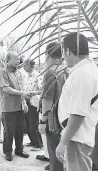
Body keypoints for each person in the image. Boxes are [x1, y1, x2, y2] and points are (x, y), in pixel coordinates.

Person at [55, 33, 98, 171]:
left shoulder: (82, 74)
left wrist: (63, 143)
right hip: (85, 136)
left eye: (63, 51)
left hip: (78, 139)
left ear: (67, 51)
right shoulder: (92, 70)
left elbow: (78, 114)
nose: (63, 57)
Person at [39, 42, 66, 171]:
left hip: (53, 120)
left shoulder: (50, 72)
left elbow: (47, 100)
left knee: (55, 156)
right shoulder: (66, 69)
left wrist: (42, 121)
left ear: (47, 55)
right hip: (65, 119)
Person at [0, 51, 30, 161]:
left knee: (20, 130)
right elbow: (6, 89)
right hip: (8, 108)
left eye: (19, 59)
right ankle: (8, 152)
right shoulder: (3, 72)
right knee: (9, 131)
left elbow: (21, 88)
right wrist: (22, 94)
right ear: (8, 60)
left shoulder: (19, 73)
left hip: (19, 107)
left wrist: (24, 102)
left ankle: (19, 149)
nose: (18, 61)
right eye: (16, 59)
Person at [23, 60, 43, 150]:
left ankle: (39, 144)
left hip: (33, 102)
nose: (24, 67)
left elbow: (42, 90)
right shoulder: (27, 76)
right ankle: (33, 141)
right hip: (27, 101)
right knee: (27, 123)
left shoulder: (37, 76)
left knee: (33, 123)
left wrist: (33, 92)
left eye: (25, 65)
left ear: (31, 66)